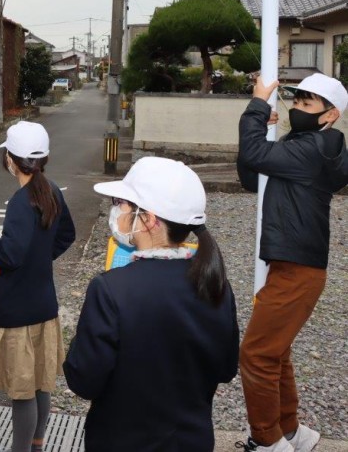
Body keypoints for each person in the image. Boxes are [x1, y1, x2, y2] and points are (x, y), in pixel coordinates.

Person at [63, 157, 239, 451]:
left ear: (150, 219)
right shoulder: (216, 285)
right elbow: (226, 369)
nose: (116, 209)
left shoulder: (111, 289)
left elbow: (84, 380)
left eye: (122, 202)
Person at [235, 74, 348, 452]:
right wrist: (261, 133)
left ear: (330, 115)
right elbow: (252, 175)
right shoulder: (304, 145)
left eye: (308, 103)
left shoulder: (314, 148)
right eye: (296, 100)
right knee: (275, 352)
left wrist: (255, 107)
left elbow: (254, 157)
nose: (297, 107)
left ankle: (268, 441)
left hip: (297, 268)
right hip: (292, 264)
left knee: (257, 354)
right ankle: (292, 433)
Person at [0, 121, 75, 452]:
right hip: (43, 306)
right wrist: (39, 258)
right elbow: (66, 235)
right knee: (40, 385)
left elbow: (7, 254)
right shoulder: (50, 190)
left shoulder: (20, 202)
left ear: (10, 159)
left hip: (18, 313)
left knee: (23, 391)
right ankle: (37, 444)